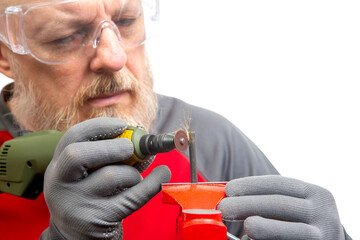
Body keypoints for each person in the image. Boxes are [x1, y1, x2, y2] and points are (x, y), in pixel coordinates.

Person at [0, 0, 352, 239]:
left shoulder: (213, 141)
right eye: (65, 36)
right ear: (5, 54)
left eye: (125, 22)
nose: (114, 56)